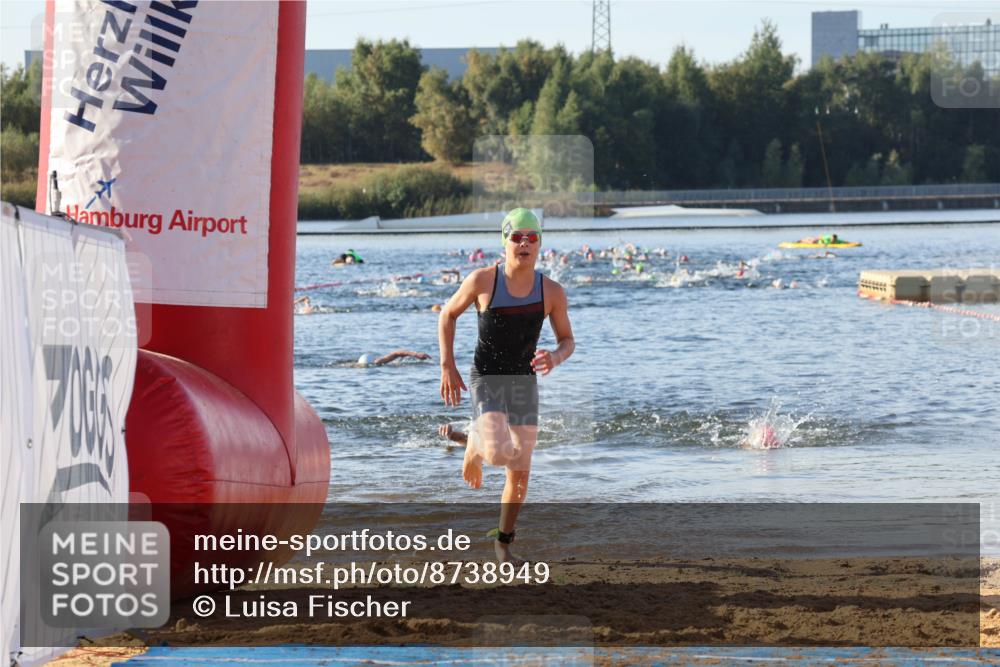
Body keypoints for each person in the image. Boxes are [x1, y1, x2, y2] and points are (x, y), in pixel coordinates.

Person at [438, 208, 575, 564]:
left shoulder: (552, 292)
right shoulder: (483, 281)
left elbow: (567, 341)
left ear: (540, 243)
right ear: (505, 241)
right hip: (487, 378)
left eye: (532, 237)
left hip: (523, 382)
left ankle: (503, 543)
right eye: (517, 237)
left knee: (520, 471)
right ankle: (473, 444)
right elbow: (447, 315)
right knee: (498, 453)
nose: (524, 243)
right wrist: (447, 365)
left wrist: (555, 358)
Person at [356, 350, 430, 367]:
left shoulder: (378, 362)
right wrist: (416, 354)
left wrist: (415, 354)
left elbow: (396, 353)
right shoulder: (378, 362)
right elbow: (396, 353)